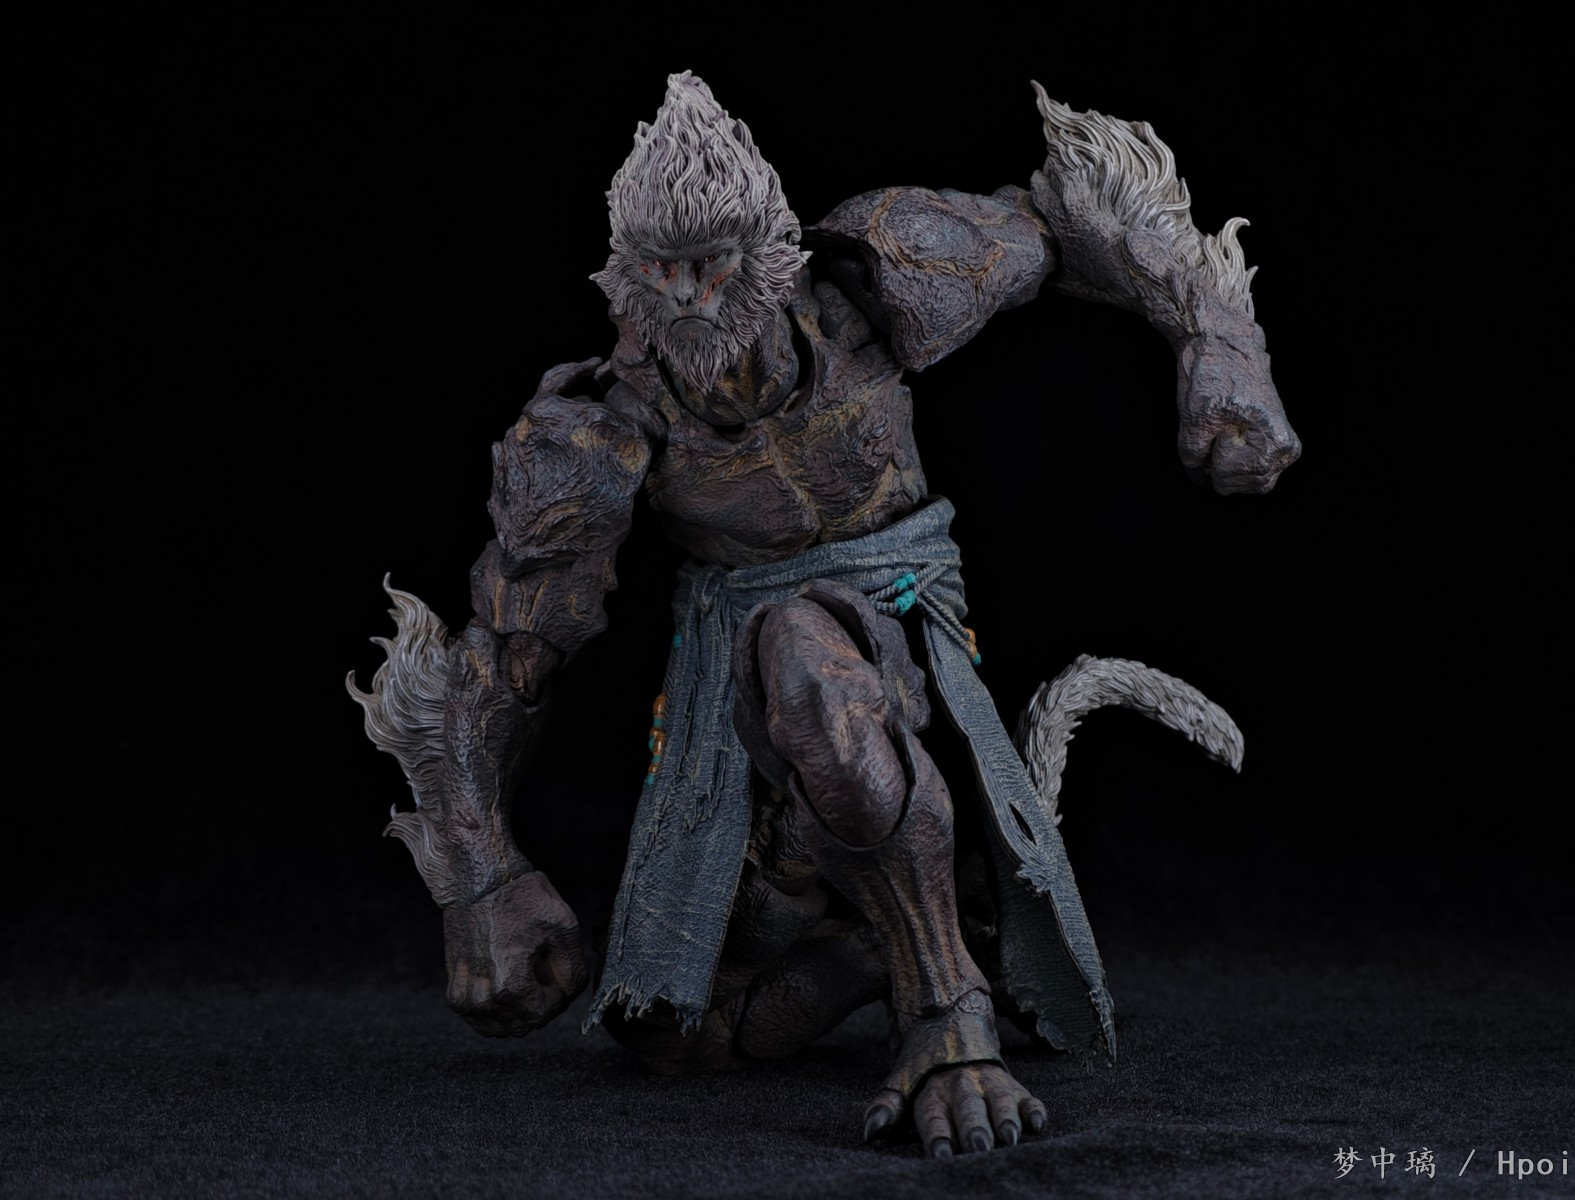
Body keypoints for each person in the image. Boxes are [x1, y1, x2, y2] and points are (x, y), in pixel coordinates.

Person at [350, 71, 1299, 1159]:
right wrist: (479, 879)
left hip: (897, 621)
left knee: (810, 665)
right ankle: (900, 932)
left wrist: (1220, 344)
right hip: (732, 688)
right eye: (662, 271)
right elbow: (503, 661)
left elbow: (1079, 206)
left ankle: (947, 1016)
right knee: (678, 1035)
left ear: (771, 251)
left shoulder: (887, 274)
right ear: (624, 273)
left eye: (711, 265)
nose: (689, 298)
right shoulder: (599, 431)